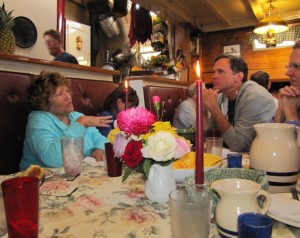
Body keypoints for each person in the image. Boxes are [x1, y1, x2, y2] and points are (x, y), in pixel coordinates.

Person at [19, 71, 112, 170]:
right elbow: (53, 160)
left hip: (77, 177)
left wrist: (99, 149)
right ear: (43, 101)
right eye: (60, 94)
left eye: (67, 91)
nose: (68, 97)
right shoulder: (38, 121)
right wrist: (80, 124)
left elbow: (101, 140)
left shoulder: (77, 116)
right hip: (41, 181)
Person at [203, 54, 276, 152]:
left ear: (238, 77)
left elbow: (238, 145)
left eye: (220, 71)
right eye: (214, 72)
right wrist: (203, 107)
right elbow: (208, 134)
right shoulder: (221, 97)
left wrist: (213, 107)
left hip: (262, 160)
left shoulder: (255, 96)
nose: (214, 76)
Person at [274, 41, 300, 126]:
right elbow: (273, 138)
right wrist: (281, 111)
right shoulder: (293, 98)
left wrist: (291, 112)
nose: (288, 73)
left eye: (297, 66)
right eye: (289, 66)